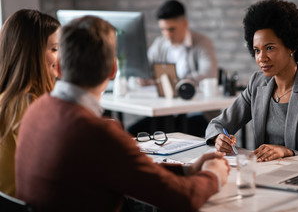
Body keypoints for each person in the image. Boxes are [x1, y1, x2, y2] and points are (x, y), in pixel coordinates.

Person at [15, 16, 230, 212]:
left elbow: (128, 171)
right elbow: (185, 199)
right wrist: (213, 175)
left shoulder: (36, 110)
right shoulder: (99, 134)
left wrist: (187, 170)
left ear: (59, 67)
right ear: (113, 69)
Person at [205, 0, 298, 162]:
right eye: (256, 50)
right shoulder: (257, 84)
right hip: (262, 174)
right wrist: (219, 138)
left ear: (292, 46)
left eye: (269, 48)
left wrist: (288, 152)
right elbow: (217, 124)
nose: (262, 58)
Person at [129, 0, 219, 136]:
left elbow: (209, 74)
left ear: (185, 23)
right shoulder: (160, 44)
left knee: (171, 133)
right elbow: (143, 69)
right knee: (132, 132)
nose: (167, 35)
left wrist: (172, 81)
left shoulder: (202, 42)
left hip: (197, 114)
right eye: (163, 29)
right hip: (167, 112)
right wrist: (142, 77)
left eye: (172, 29)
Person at [0, 9, 60, 196]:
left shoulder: (6, 99)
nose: (59, 58)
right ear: (31, 55)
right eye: (54, 49)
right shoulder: (28, 103)